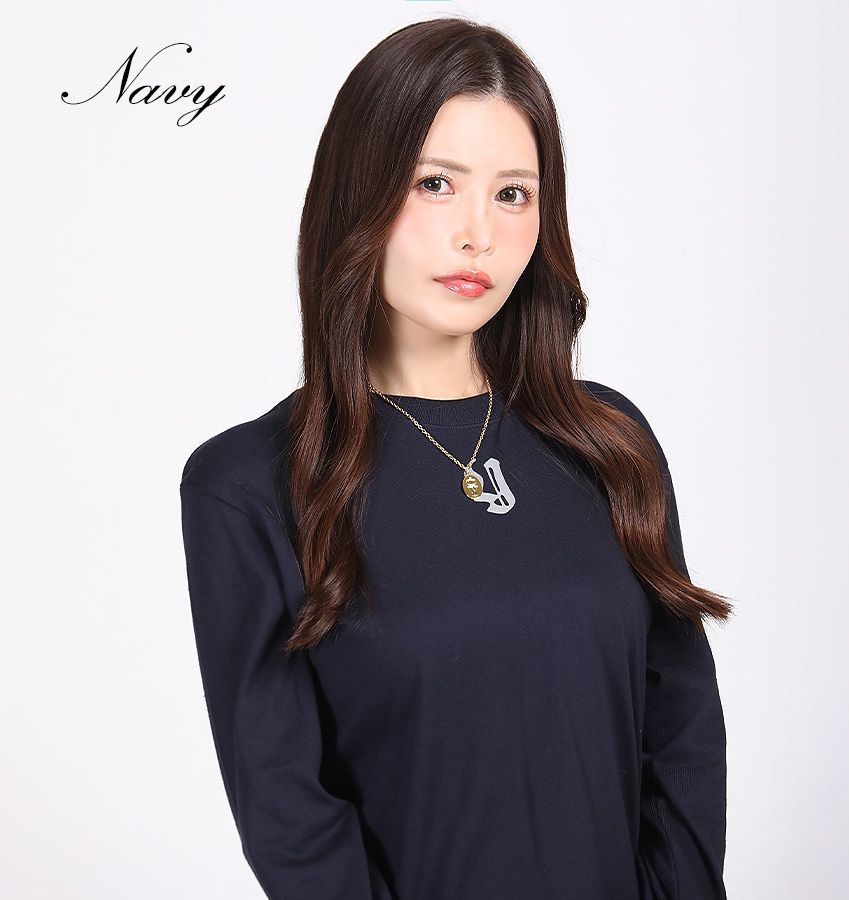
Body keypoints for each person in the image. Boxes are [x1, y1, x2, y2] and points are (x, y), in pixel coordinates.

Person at [180, 15, 732, 900]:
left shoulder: (610, 442)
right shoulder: (249, 487)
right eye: (436, 183)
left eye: (513, 194)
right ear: (357, 193)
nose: (479, 233)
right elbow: (292, 820)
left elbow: (684, 741)